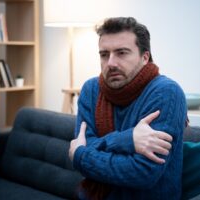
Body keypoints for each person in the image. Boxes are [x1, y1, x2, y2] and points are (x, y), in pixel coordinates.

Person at [69, 17, 187, 200]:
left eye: (122, 53)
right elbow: (84, 144)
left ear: (144, 57)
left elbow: (144, 173)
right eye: (104, 54)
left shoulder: (166, 92)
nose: (111, 63)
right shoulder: (91, 89)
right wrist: (128, 139)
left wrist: (82, 157)